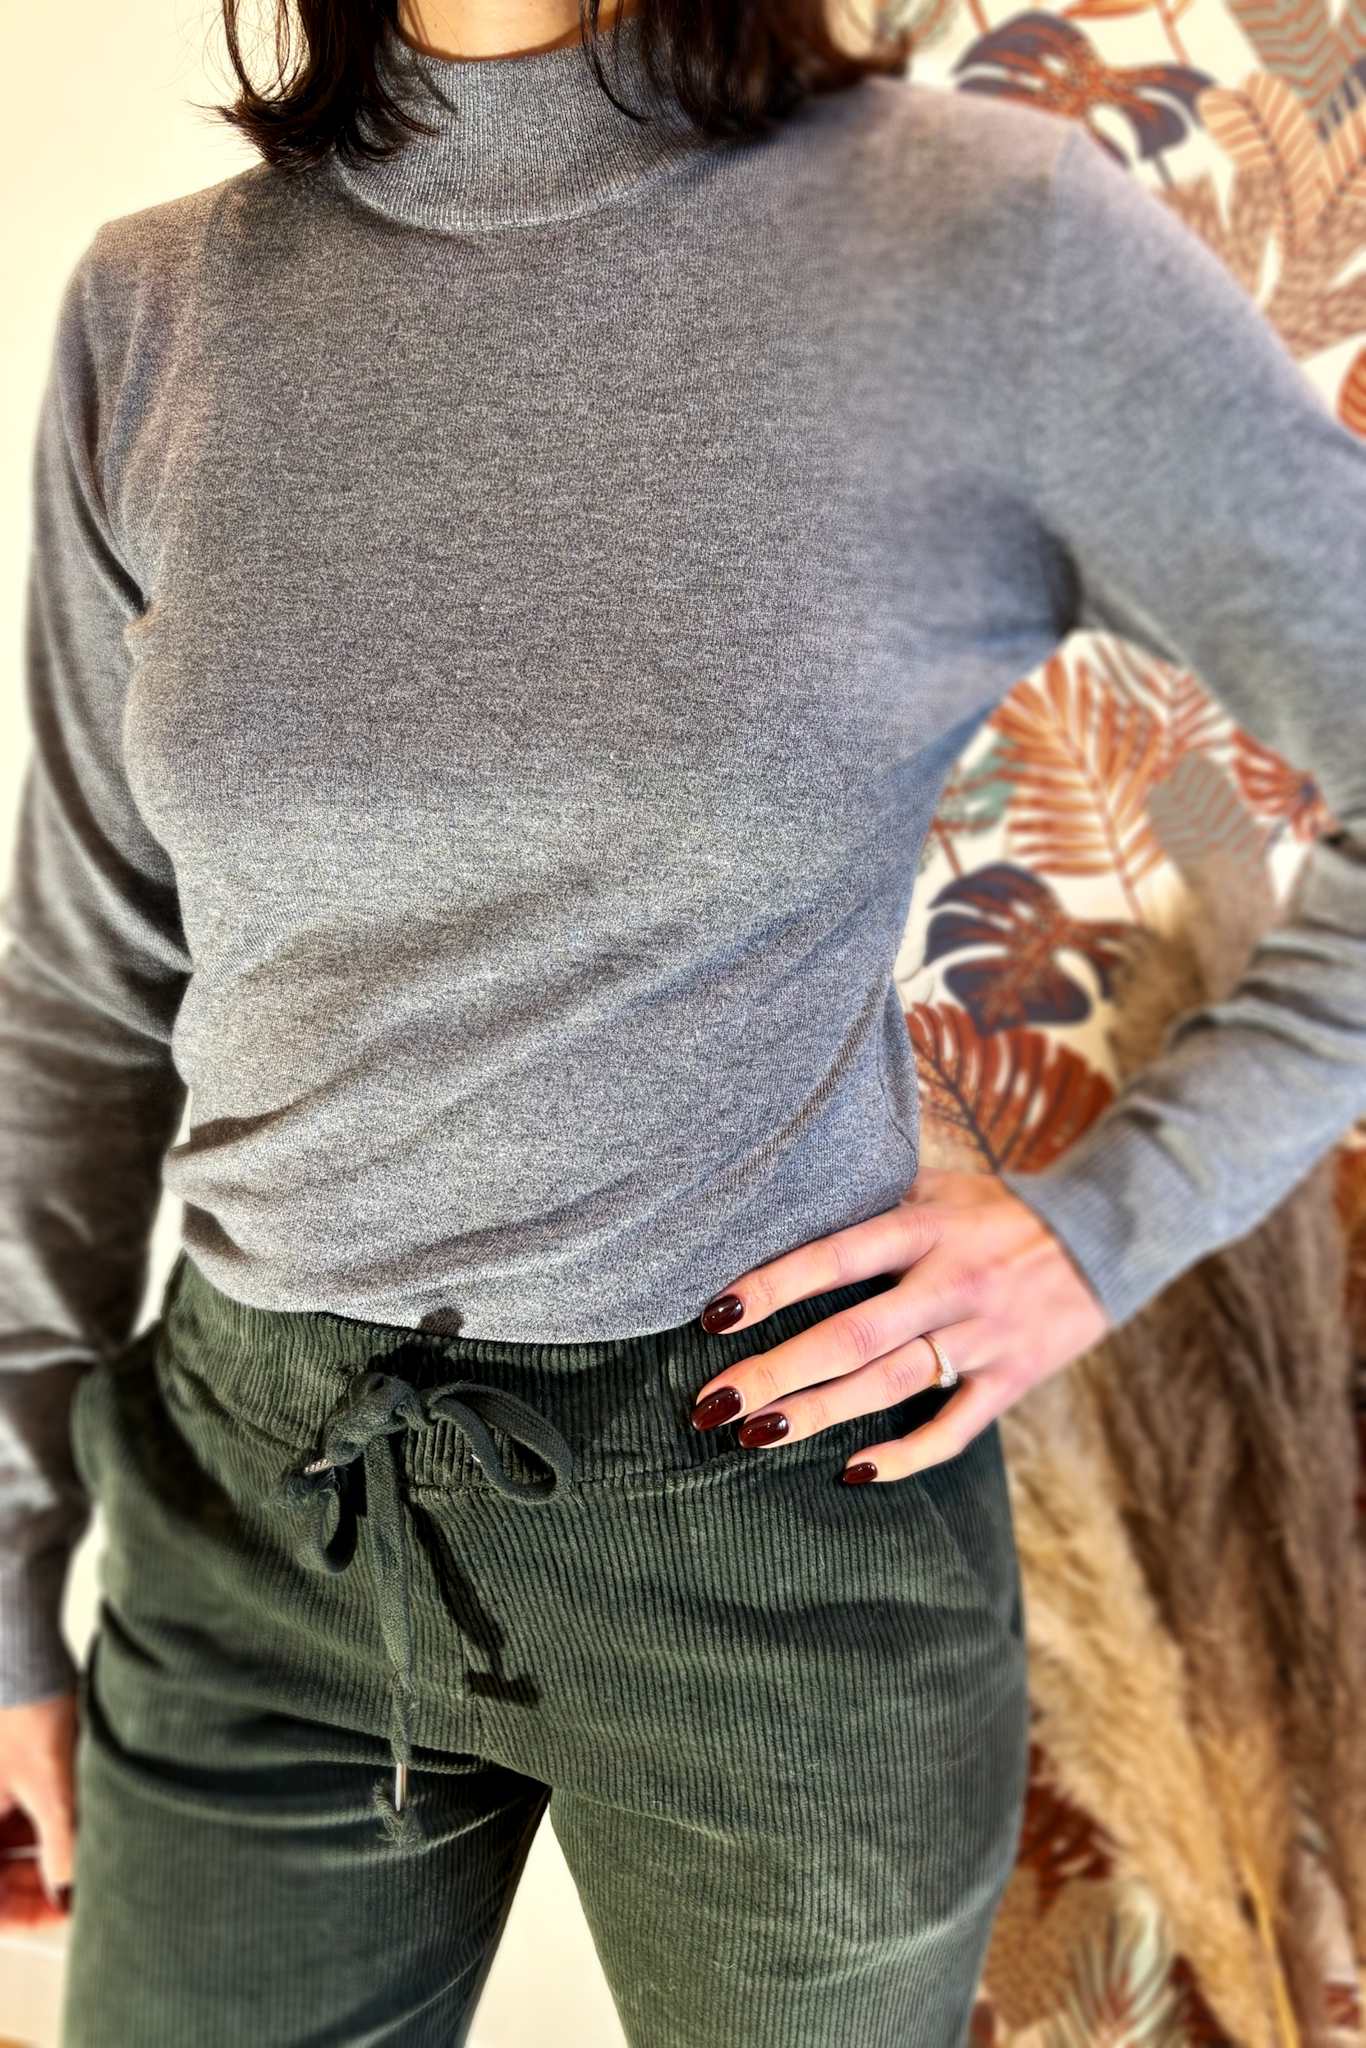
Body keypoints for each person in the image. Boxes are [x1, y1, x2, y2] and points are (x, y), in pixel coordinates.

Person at [2, 0, 1365, 2040]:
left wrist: (1094, 1231)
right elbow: (82, 983)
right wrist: (8, 1569)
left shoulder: (970, 241)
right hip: (251, 1517)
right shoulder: (162, 307)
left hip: (770, 1532)